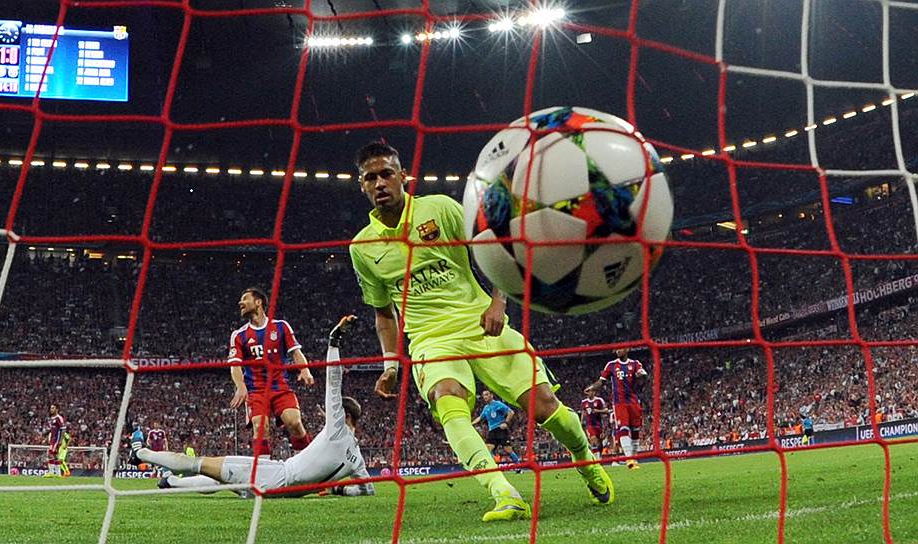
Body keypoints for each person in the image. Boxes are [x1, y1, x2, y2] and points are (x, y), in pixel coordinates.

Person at [349, 141, 614, 522]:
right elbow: (384, 313)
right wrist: (391, 364)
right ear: (361, 184)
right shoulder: (362, 247)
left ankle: (584, 458)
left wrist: (498, 301)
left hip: (480, 323)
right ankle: (504, 493)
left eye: (386, 174)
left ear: (403, 176)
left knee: (545, 407)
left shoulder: (440, 208)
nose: (379, 183)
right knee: (447, 401)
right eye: (370, 178)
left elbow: (494, 249)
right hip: (430, 339)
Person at [140, 315, 373, 499]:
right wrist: (339, 489)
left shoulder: (336, 429)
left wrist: (334, 340)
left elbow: (334, 382)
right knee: (222, 478)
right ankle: (172, 481)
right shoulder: (357, 459)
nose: (328, 414)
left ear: (345, 415)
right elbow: (367, 490)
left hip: (274, 476)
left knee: (200, 464)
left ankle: (140, 453)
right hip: (281, 491)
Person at [228, 287, 314, 457]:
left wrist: (305, 370)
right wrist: (241, 386)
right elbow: (235, 366)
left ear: (258, 302)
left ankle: (306, 463)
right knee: (260, 427)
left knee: (294, 422)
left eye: (245, 299)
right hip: (256, 390)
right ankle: (264, 469)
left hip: (280, 386)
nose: (240, 303)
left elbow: (296, 352)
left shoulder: (280, 326)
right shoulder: (239, 335)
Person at [592, 348, 647, 469]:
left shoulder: (635, 363)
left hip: (633, 402)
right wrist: (592, 387)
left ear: (627, 349)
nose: (617, 351)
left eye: (620, 349)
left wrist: (640, 376)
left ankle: (634, 458)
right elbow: (601, 381)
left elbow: (643, 376)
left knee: (635, 430)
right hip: (619, 403)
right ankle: (629, 459)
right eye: (616, 349)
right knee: (623, 428)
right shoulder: (611, 365)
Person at [471, 390, 521, 467]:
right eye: (484, 395)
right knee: (488, 449)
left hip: (500, 429)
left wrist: (506, 423)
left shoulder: (498, 404)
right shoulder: (486, 407)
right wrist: (471, 424)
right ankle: (494, 467)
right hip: (492, 431)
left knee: (508, 449)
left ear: (491, 395)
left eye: (486, 394)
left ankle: (519, 467)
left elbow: (511, 412)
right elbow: (480, 417)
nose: (485, 397)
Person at [580, 385, 611, 458]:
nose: (589, 393)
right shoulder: (584, 402)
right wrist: (581, 423)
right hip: (589, 425)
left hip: (599, 424)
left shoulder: (599, 400)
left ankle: (600, 456)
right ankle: (596, 459)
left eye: (591, 391)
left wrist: (598, 411)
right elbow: (583, 413)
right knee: (593, 440)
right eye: (588, 391)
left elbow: (606, 410)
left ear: (594, 392)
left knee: (599, 443)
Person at [44, 404, 65, 478]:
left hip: (56, 440)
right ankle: (58, 474)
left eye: (53, 408)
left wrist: (60, 440)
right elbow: (52, 430)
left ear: (57, 409)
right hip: (52, 439)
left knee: (51, 454)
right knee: (55, 456)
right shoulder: (52, 418)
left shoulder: (59, 418)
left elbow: (63, 429)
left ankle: (51, 472)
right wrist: (46, 438)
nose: (51, 409)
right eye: (51, 408)